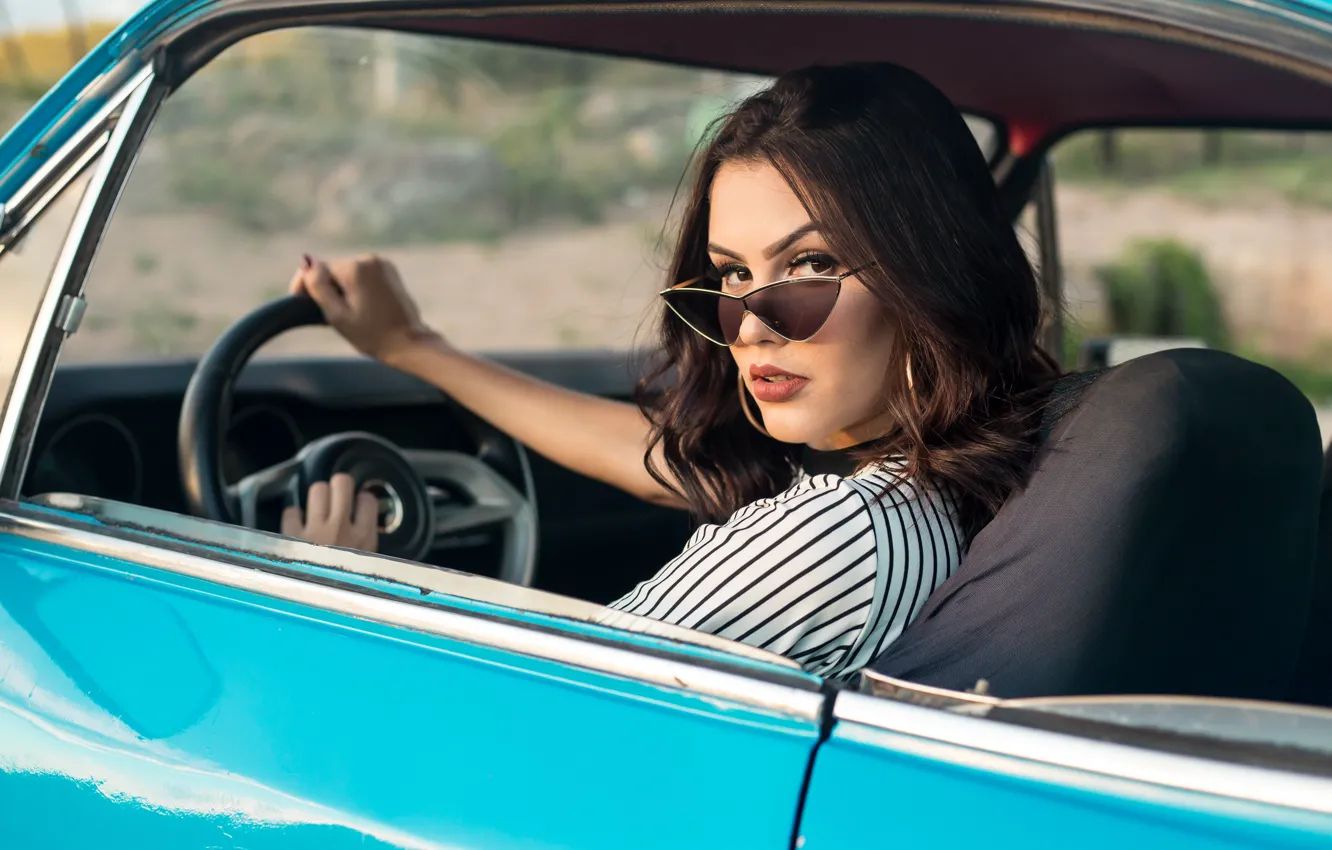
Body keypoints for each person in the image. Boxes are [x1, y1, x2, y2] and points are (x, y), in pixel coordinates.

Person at [281, 63, 1058, 679]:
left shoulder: (835, 536)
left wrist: (336, 586)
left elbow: (519, 717)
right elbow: (674, 462)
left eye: (810, 264)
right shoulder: (965, 484)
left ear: (932, 276)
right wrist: (413, 346)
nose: (751, 327)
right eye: (731, 275)